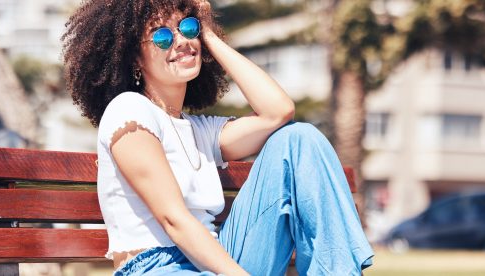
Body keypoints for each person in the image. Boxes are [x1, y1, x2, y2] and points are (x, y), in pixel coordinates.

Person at [62, 0, 373, 275]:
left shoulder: (201, 131)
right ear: (135, 60)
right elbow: (173, 220)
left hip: (217, 258)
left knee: (300, 139)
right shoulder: (128, 111)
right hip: (157, 266)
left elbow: (278, 111)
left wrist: (208, 34)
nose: (181, 41)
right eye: (162, 35)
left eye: (186, 27)